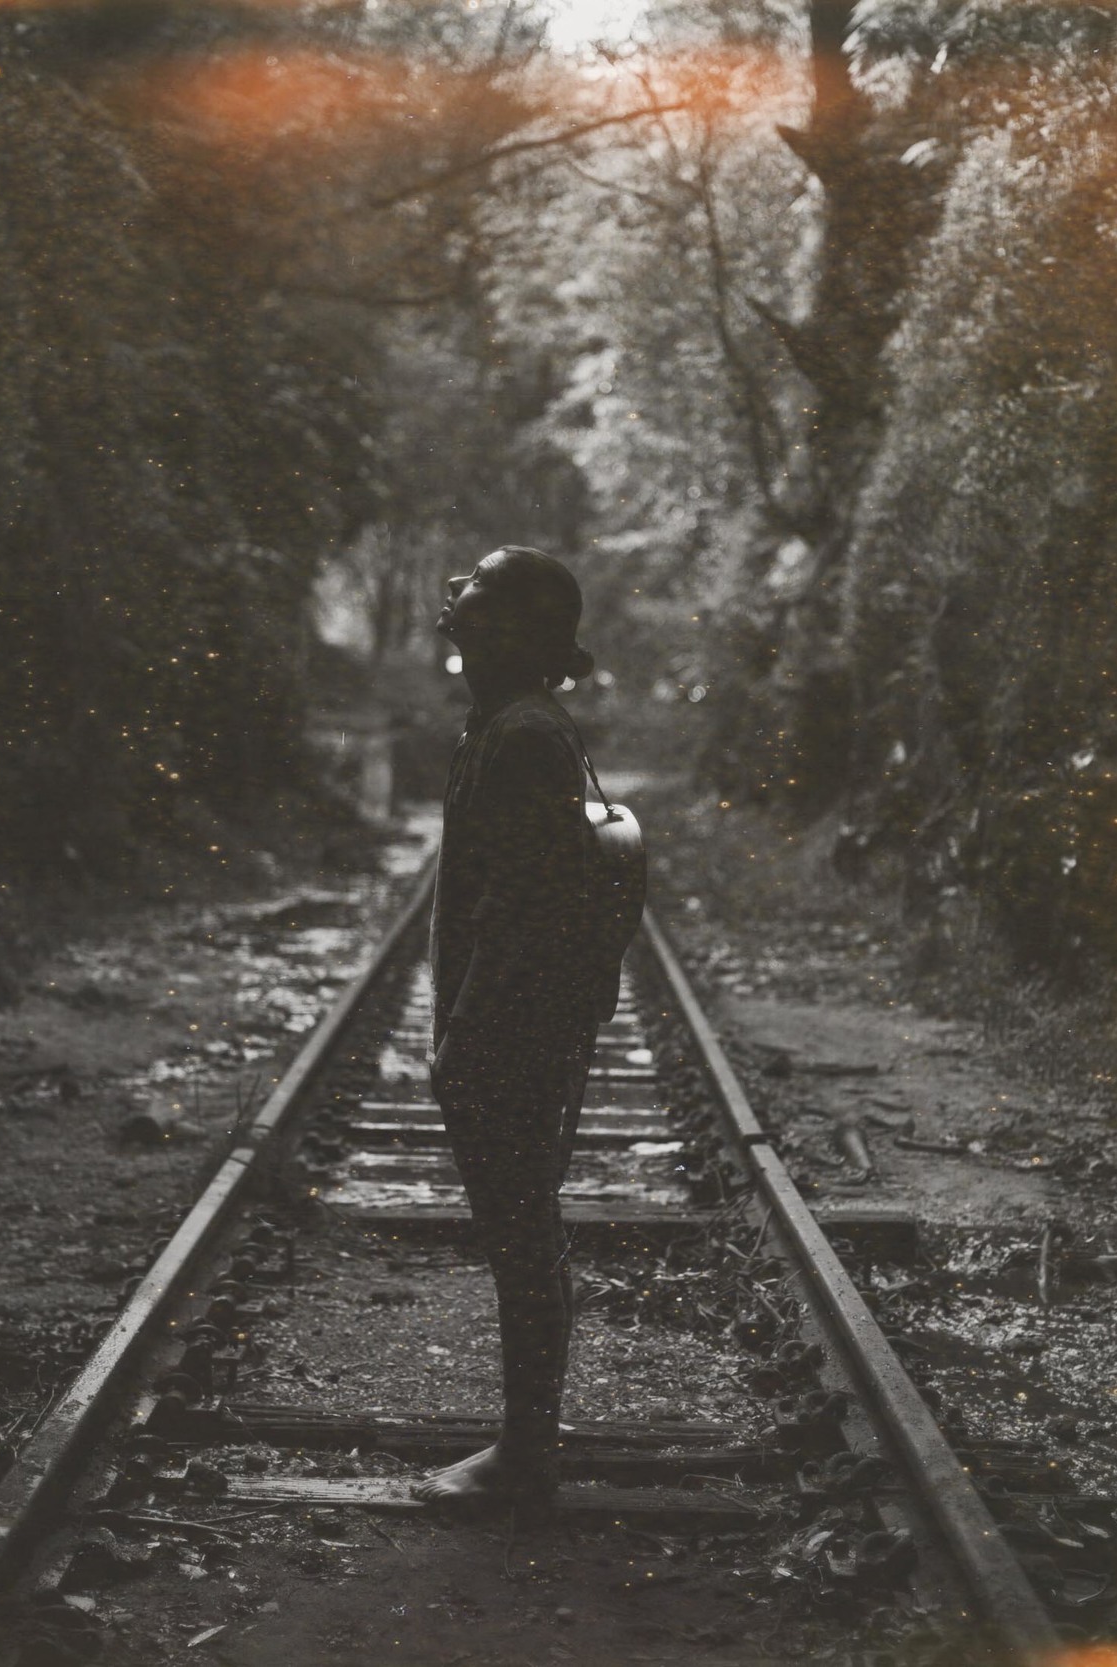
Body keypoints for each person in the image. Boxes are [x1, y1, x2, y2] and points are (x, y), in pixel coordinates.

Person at [412, 546, 607, 1506]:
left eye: (481, 600)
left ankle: (526, 1458)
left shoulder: (523, 735)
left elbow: (521, 912)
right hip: (507, 1024)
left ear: (519, 632)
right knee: (521, 1224)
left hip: (509, 1030)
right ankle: (523, 1447)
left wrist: (465, 1036)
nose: (460, 607)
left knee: (521, 1228)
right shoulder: (508, 724)